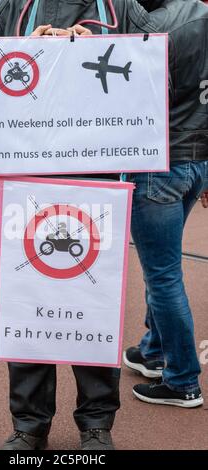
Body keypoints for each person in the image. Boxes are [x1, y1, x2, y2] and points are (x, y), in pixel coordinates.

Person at [0, 0, 174, 451]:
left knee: (94, 304)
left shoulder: (121, 7)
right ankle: (29, 425)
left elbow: (163, 76)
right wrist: (18, 50)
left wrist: (101, 50)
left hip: (97, 184)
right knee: (29, 304)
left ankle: (96, 423)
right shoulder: (11, 7)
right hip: (27, 181)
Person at [123, 0, 208, 408]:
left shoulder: (151, 25)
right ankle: (154, 350)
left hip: (159, 160)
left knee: (162, 274)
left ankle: (182, 379)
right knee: (163, 265)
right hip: (198, 159)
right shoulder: (198, 12)